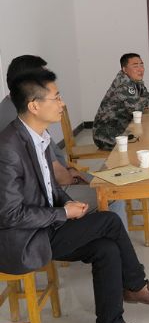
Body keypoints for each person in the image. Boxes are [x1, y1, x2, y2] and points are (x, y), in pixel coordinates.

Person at [0, 69, 149, 323]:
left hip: (44, 225)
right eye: (56, 98)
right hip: (24, 239)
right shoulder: (9, 148)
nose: (62, 104)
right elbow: (10, 215)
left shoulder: (37, 136)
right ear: (34, 106)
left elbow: (47, 187)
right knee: (109, 221)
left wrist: (67, 202)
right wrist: (63, 213)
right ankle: (136, 285)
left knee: (106, 249)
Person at [0, 55, 127, 224]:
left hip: (59, 183)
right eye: (43, 76)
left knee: (111, 184)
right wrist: (74, 179)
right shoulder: (17, 120)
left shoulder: (20, 111)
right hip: (51, 195)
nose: (62, 104)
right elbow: (53, 176)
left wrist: (72, 171)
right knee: (113, 192)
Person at [93, 53, 149, 150]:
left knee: (147, 136)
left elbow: (147, 99)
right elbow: (137, 110)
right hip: (106, 136)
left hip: (120, 128)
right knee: (145, 143)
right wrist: (141, 101)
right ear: (124, 69)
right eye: (135, 66)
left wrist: (140, 101)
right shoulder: (124, 84)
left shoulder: (134, 80)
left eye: (141, 65)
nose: (140, 69)